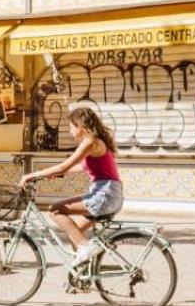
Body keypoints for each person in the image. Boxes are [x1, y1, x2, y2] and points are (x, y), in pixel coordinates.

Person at [20, 104, 123, 267]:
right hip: (110, 194)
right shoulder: (97, 142)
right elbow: (79, 168)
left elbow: (64, 166)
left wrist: (31, 175)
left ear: (80, 126)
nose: (69, 131)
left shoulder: (90, 142)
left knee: (54, 209)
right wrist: (55, 174)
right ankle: (82, 275)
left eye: (71, 127)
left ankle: (86, 247)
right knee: (75, 232)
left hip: (105, 194)